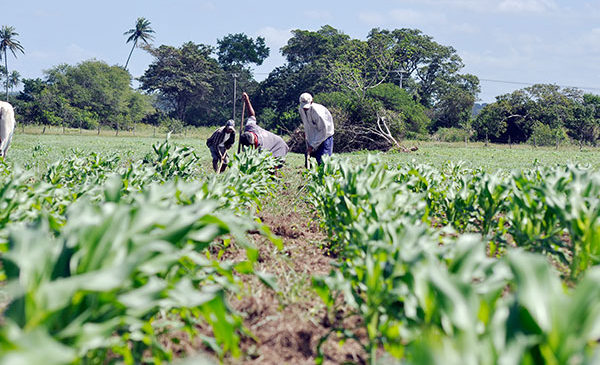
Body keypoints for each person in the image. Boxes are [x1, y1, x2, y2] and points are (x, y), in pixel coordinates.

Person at [240, 92, 289, 159]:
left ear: (253, 142)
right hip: (270, 143)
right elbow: (251, 115)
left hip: (279, 146)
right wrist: (247, 100)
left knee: (271, 166)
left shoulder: (262, 146)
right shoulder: (250, 127)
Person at [298, 92, 334, 165]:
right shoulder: (301, 109)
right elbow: (307, 125)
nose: (305, 109)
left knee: (323, 162)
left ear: (312, 101)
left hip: (325, 137)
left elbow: (323, 131)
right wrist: (308, 140)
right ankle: (310, 175)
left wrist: (312, 145)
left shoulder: (318, 112)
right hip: (313, 136)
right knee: (308, 159)